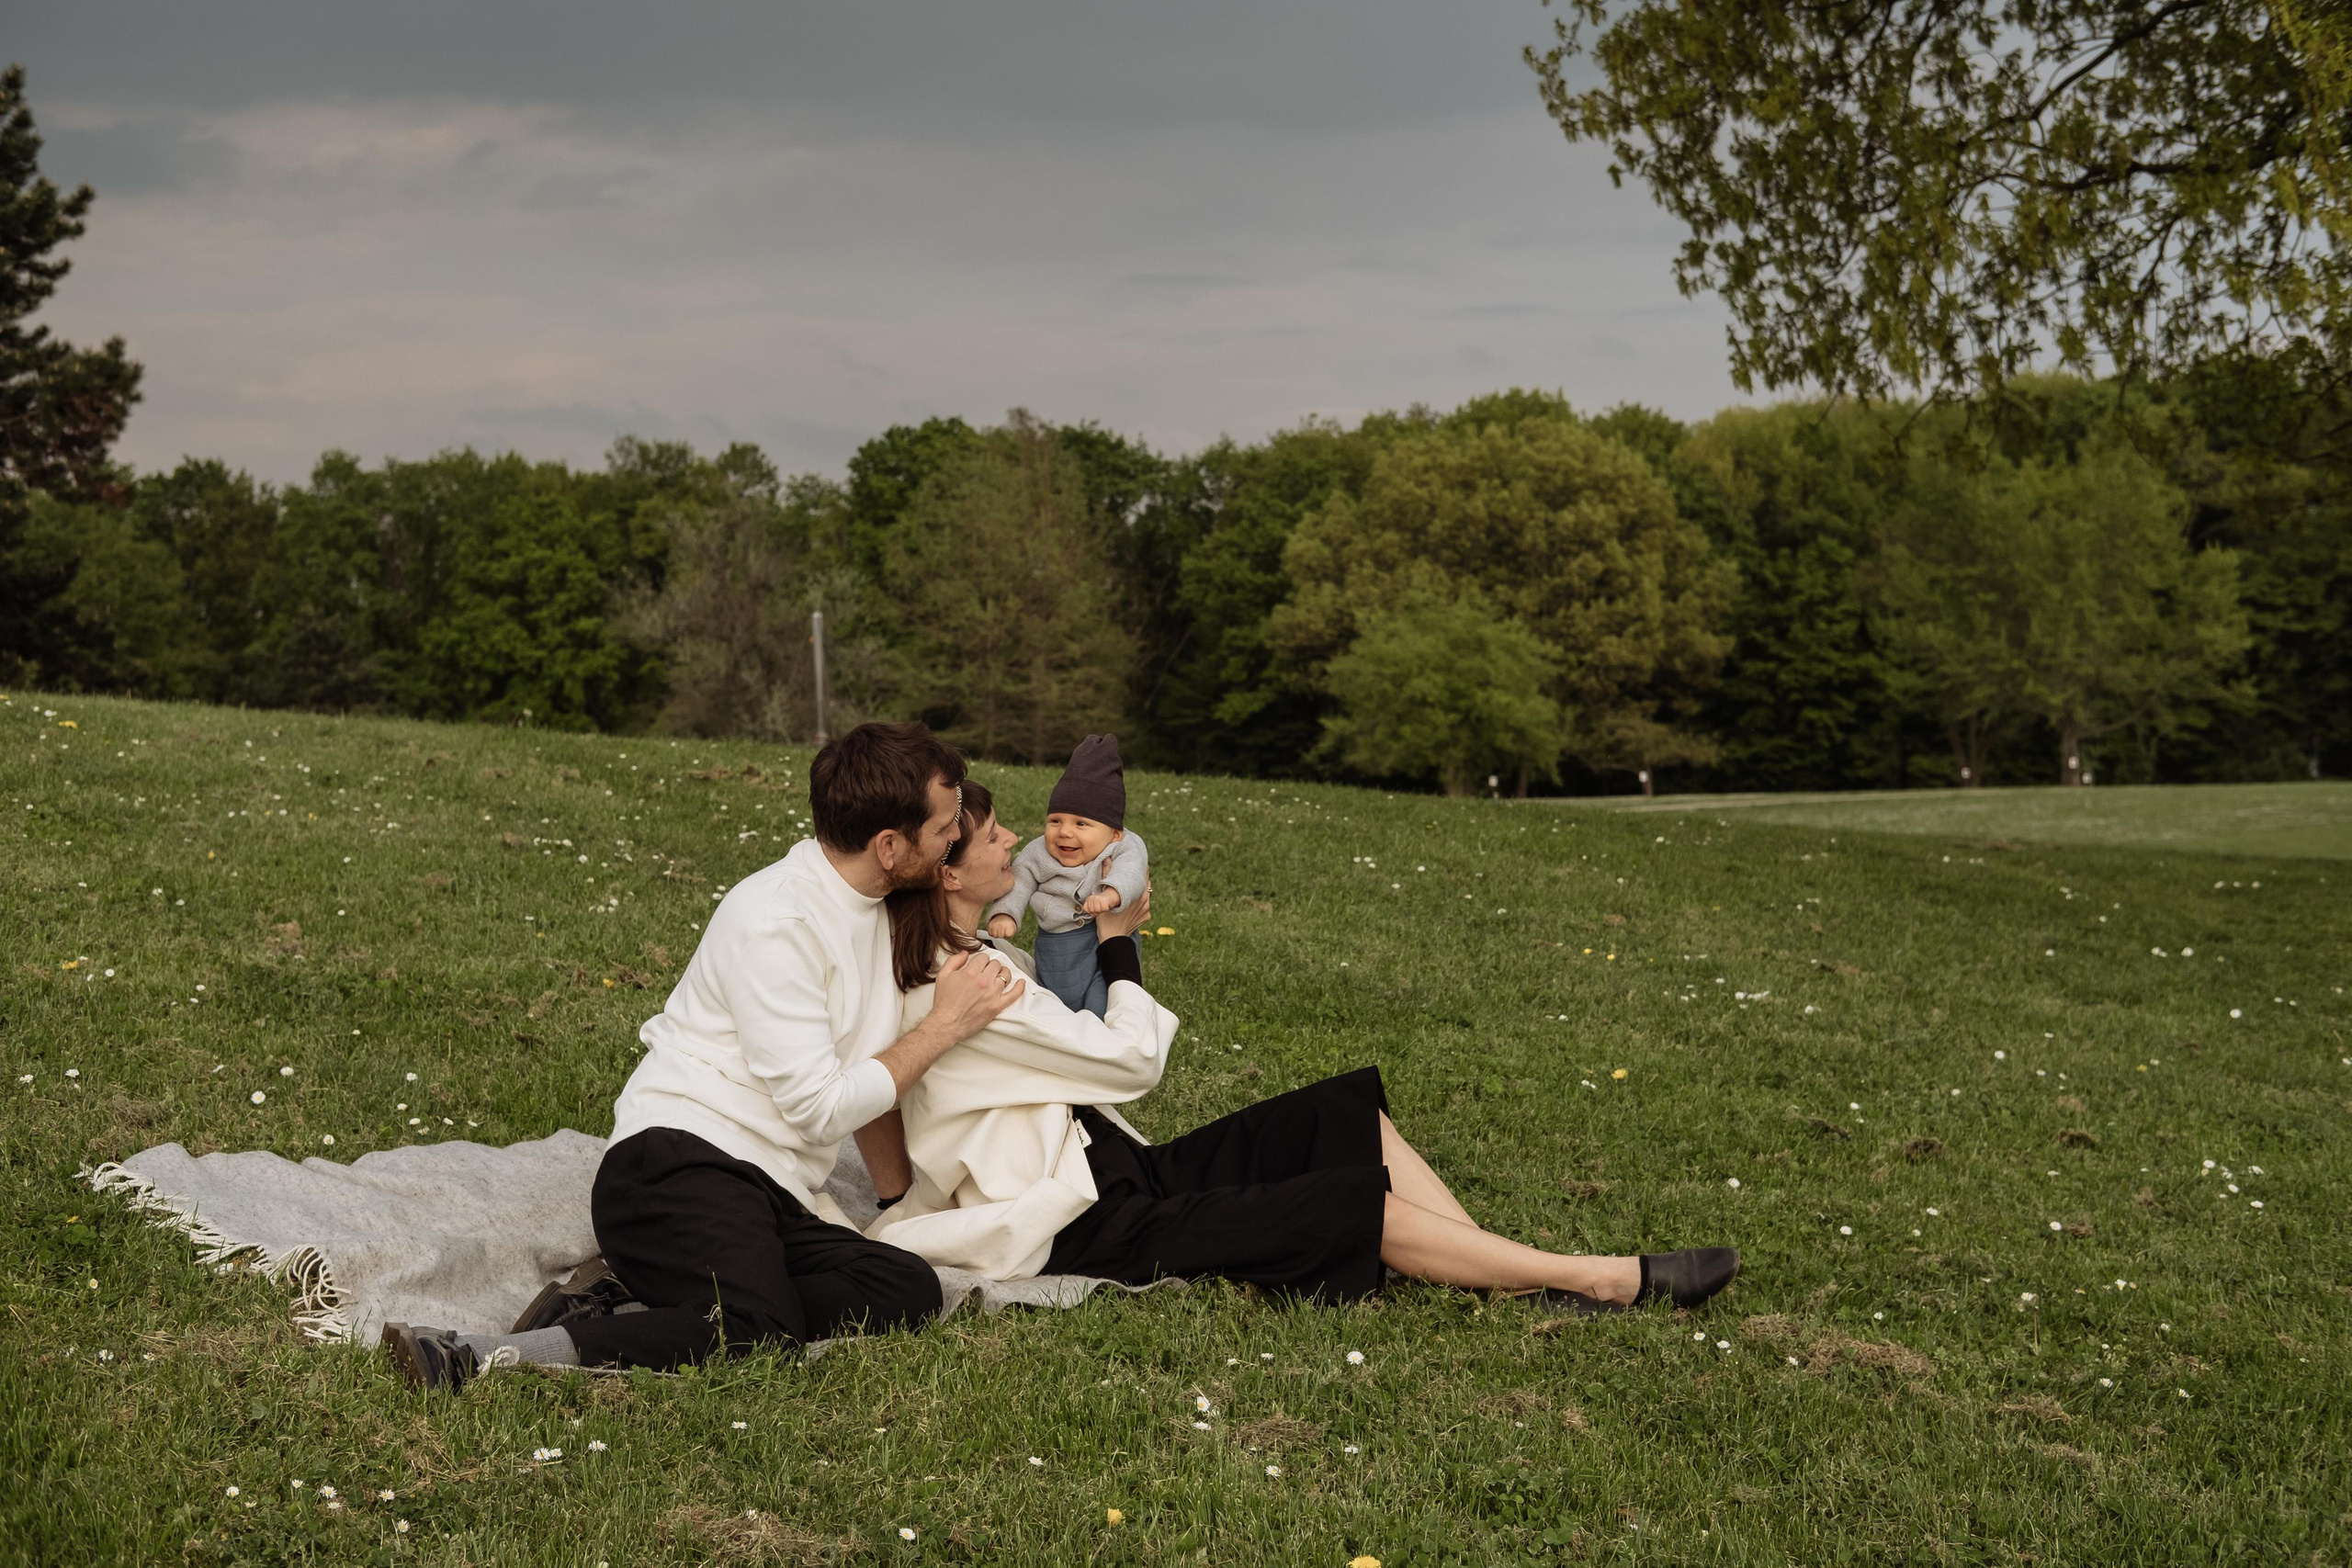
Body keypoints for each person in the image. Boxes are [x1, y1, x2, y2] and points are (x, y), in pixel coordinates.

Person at [867, 783, 1740, 1314]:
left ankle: (1501, 1267)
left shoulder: (981, 954)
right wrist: (1121, 945)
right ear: (947, 870)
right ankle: (1596, 1278)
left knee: (1344, 1109)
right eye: (987, 837)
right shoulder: (968, 984)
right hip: (1079, 1222)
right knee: (1344, 1201)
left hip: (1106, 1169)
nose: (1012, 840)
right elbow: (1128, 1061)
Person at [380, 722, 1027, 1389]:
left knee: (905, 1287)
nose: (958, 836)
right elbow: (819, 1107)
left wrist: (899, 1197)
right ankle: (477, 1355)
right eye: (947, 825)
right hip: (676, 1167)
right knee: (756, 1332)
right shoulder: (779, 921)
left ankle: (637, 1292)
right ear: (889, 846)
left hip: (769, 1191)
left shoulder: (877, 902)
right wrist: (945, 1026)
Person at [985, 733, 1148, 1018]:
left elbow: (1133, 871)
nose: (1065, 832)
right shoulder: (1038, 852)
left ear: (1114, 833)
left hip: (1103, 947)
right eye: (1055, 820)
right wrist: (1005, 914)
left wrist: (1111, 894)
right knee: (1055, 1001)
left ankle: (1100, 1031)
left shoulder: (1125, 845)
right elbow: (1020, 879)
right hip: (1055, 946)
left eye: (1081, 823)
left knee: (1104, 999)